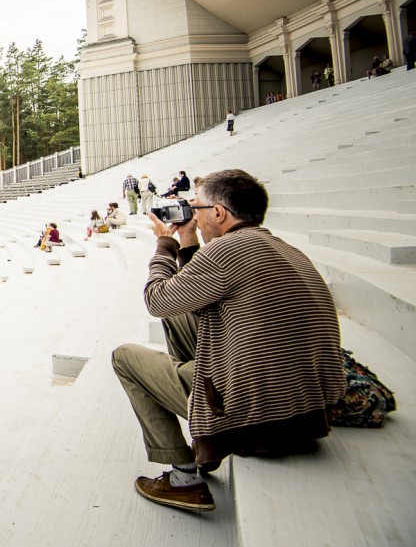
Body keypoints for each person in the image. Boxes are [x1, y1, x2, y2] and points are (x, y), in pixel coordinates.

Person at [110, 169, 342, 513]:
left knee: (124, 357)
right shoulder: (284, 249)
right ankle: (192, 401)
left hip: (260, 420)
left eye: (197, 208)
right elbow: (194, 295)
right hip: (308, 412)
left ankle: (183, 478)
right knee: (178, 313)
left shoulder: (225, 252)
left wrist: (165, 245)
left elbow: (156, 299)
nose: (194, 216)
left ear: (218, 213)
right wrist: (190, 240)